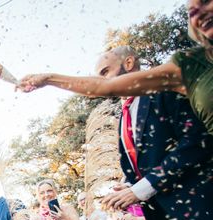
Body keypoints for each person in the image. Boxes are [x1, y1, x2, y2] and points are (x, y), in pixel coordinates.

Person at [20, 45, 213, 220]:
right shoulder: (124, 113)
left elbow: (196, 143)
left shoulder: (163, 90)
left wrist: (141, 188)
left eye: (105, 71)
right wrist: (130, 185)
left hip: (199, 207)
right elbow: (148, 158)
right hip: (170, 217)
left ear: (130, 63)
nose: (102, 81)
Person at [15, 0, 213, 134]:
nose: (199, 14)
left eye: (204, 1)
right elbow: (104, 87)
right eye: (191, 12)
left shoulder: (164, 100)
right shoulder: (189, 64)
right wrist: (48, 78)